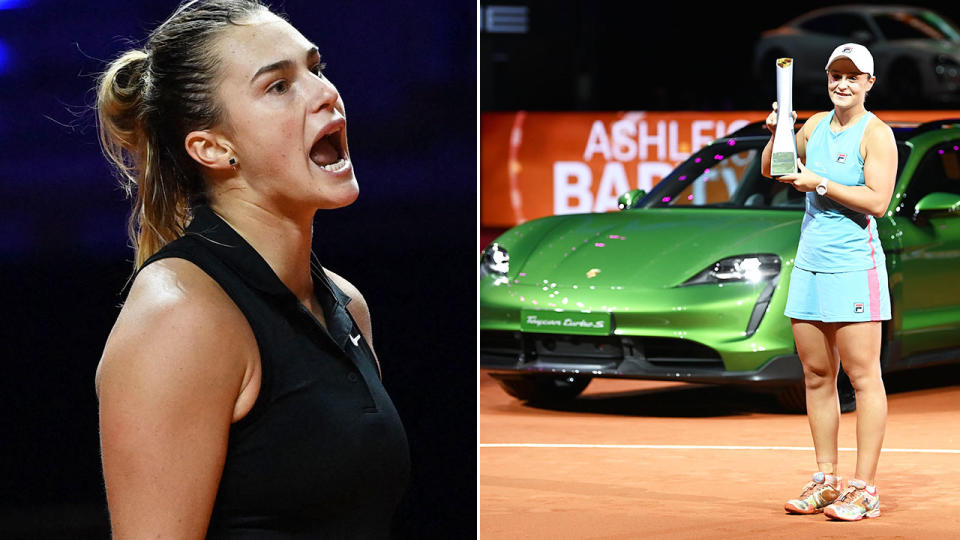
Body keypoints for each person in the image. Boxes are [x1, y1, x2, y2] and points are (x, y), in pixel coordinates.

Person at [94, 0, 410, 536]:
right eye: (278, 86)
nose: (324, 93)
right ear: (213, 148)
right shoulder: (180, 315)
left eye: (315, 68)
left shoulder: (346, 304)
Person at [761, 43, 896, 521]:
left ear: (868, 84)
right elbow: (774, 169)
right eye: (835, 75)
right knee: (817, 376)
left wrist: (818, 182)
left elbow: (877, 201)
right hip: (811, 266)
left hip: (855, 268)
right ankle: (826, 479)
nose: (842, 83)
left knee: (864, 378)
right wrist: (780, 131)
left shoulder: (876, 135)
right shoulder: (814, 125)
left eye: (853, 77)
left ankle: (865, 489)